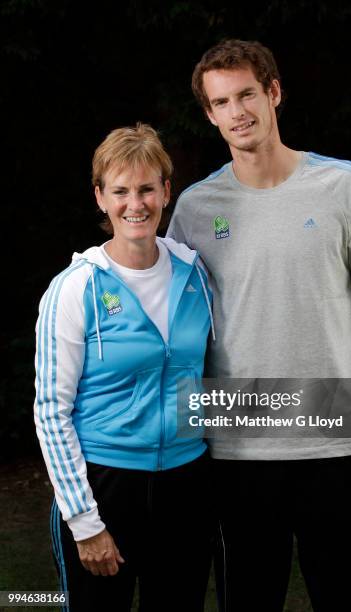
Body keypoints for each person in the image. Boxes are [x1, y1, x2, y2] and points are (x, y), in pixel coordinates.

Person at [167, 39, 351, 611]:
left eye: (247, 94)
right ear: (209, 113)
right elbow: (171, 334)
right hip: (234, 450)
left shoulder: (343, 183)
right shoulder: (195, 209)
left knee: (348, 599)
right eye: (221, 102)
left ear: (273, 93)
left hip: (336, 433)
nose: (237, 112)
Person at [34, 123, 214, 612]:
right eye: (120, 191)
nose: (135, 203)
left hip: (185, 484)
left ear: (166, 192)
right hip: (105, 485)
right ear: (100, 197)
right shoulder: (75, 288)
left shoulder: (195, 273)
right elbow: (51, 411)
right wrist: (85, 523)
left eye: (146, 189)